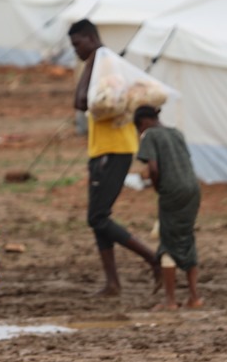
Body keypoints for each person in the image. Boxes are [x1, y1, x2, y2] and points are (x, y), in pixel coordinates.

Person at [68, 19, 159, 297]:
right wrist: (90, 60)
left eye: (78, 45)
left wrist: (91, 61)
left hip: (114, 149)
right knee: (99, 216)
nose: (76, 52)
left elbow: (81, 101)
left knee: (97, 217)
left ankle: (152, 258)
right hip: (102, 150)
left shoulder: (105, 64)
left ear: (91, 38)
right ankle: (112, 283)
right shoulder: (102, 62)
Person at [134, 105, 203, 311]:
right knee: (186, 238)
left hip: (172, 192)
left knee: (168, 243)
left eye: (139, 129)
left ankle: (170, 301)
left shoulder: (150, 136)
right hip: (192, 189)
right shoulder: (176, 133)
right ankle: (194, 297)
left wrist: (156, 187)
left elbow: (153, 168)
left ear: (143, 123)